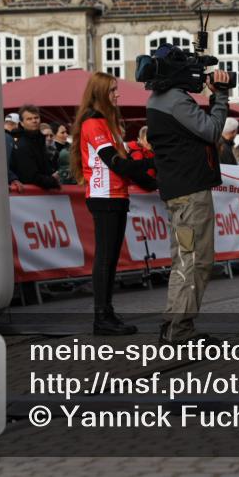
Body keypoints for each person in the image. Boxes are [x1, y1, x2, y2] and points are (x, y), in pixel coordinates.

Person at [146, 46, 231, 346]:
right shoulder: (175, 101)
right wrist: (220, 97)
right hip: (191, 194)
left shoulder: (158, 99)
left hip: (179, 193)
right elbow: (211, 131)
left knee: (184, 259)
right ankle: (180, 330)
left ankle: (174, 325)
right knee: (195, 261)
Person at [70, 73, 157, 335]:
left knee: (110, 258)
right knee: (106, 258)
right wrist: (155, 163)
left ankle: (106, 312)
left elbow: (126, 164)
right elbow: (116, 163)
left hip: (116, 195)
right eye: (112, 91)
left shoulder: (107, 124)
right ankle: (101, 317)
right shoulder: (94, 122)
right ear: (99, 94)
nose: (117, 95)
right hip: (104, 196)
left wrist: (156, 181)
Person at [11, 105, 60, 190]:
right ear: (22, 123)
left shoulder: (39, 140)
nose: (34, 121)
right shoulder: (21, 144)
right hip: (29, 196)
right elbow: (30, 176)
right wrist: (52, 180)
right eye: (29, 119)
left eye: (36, 118)